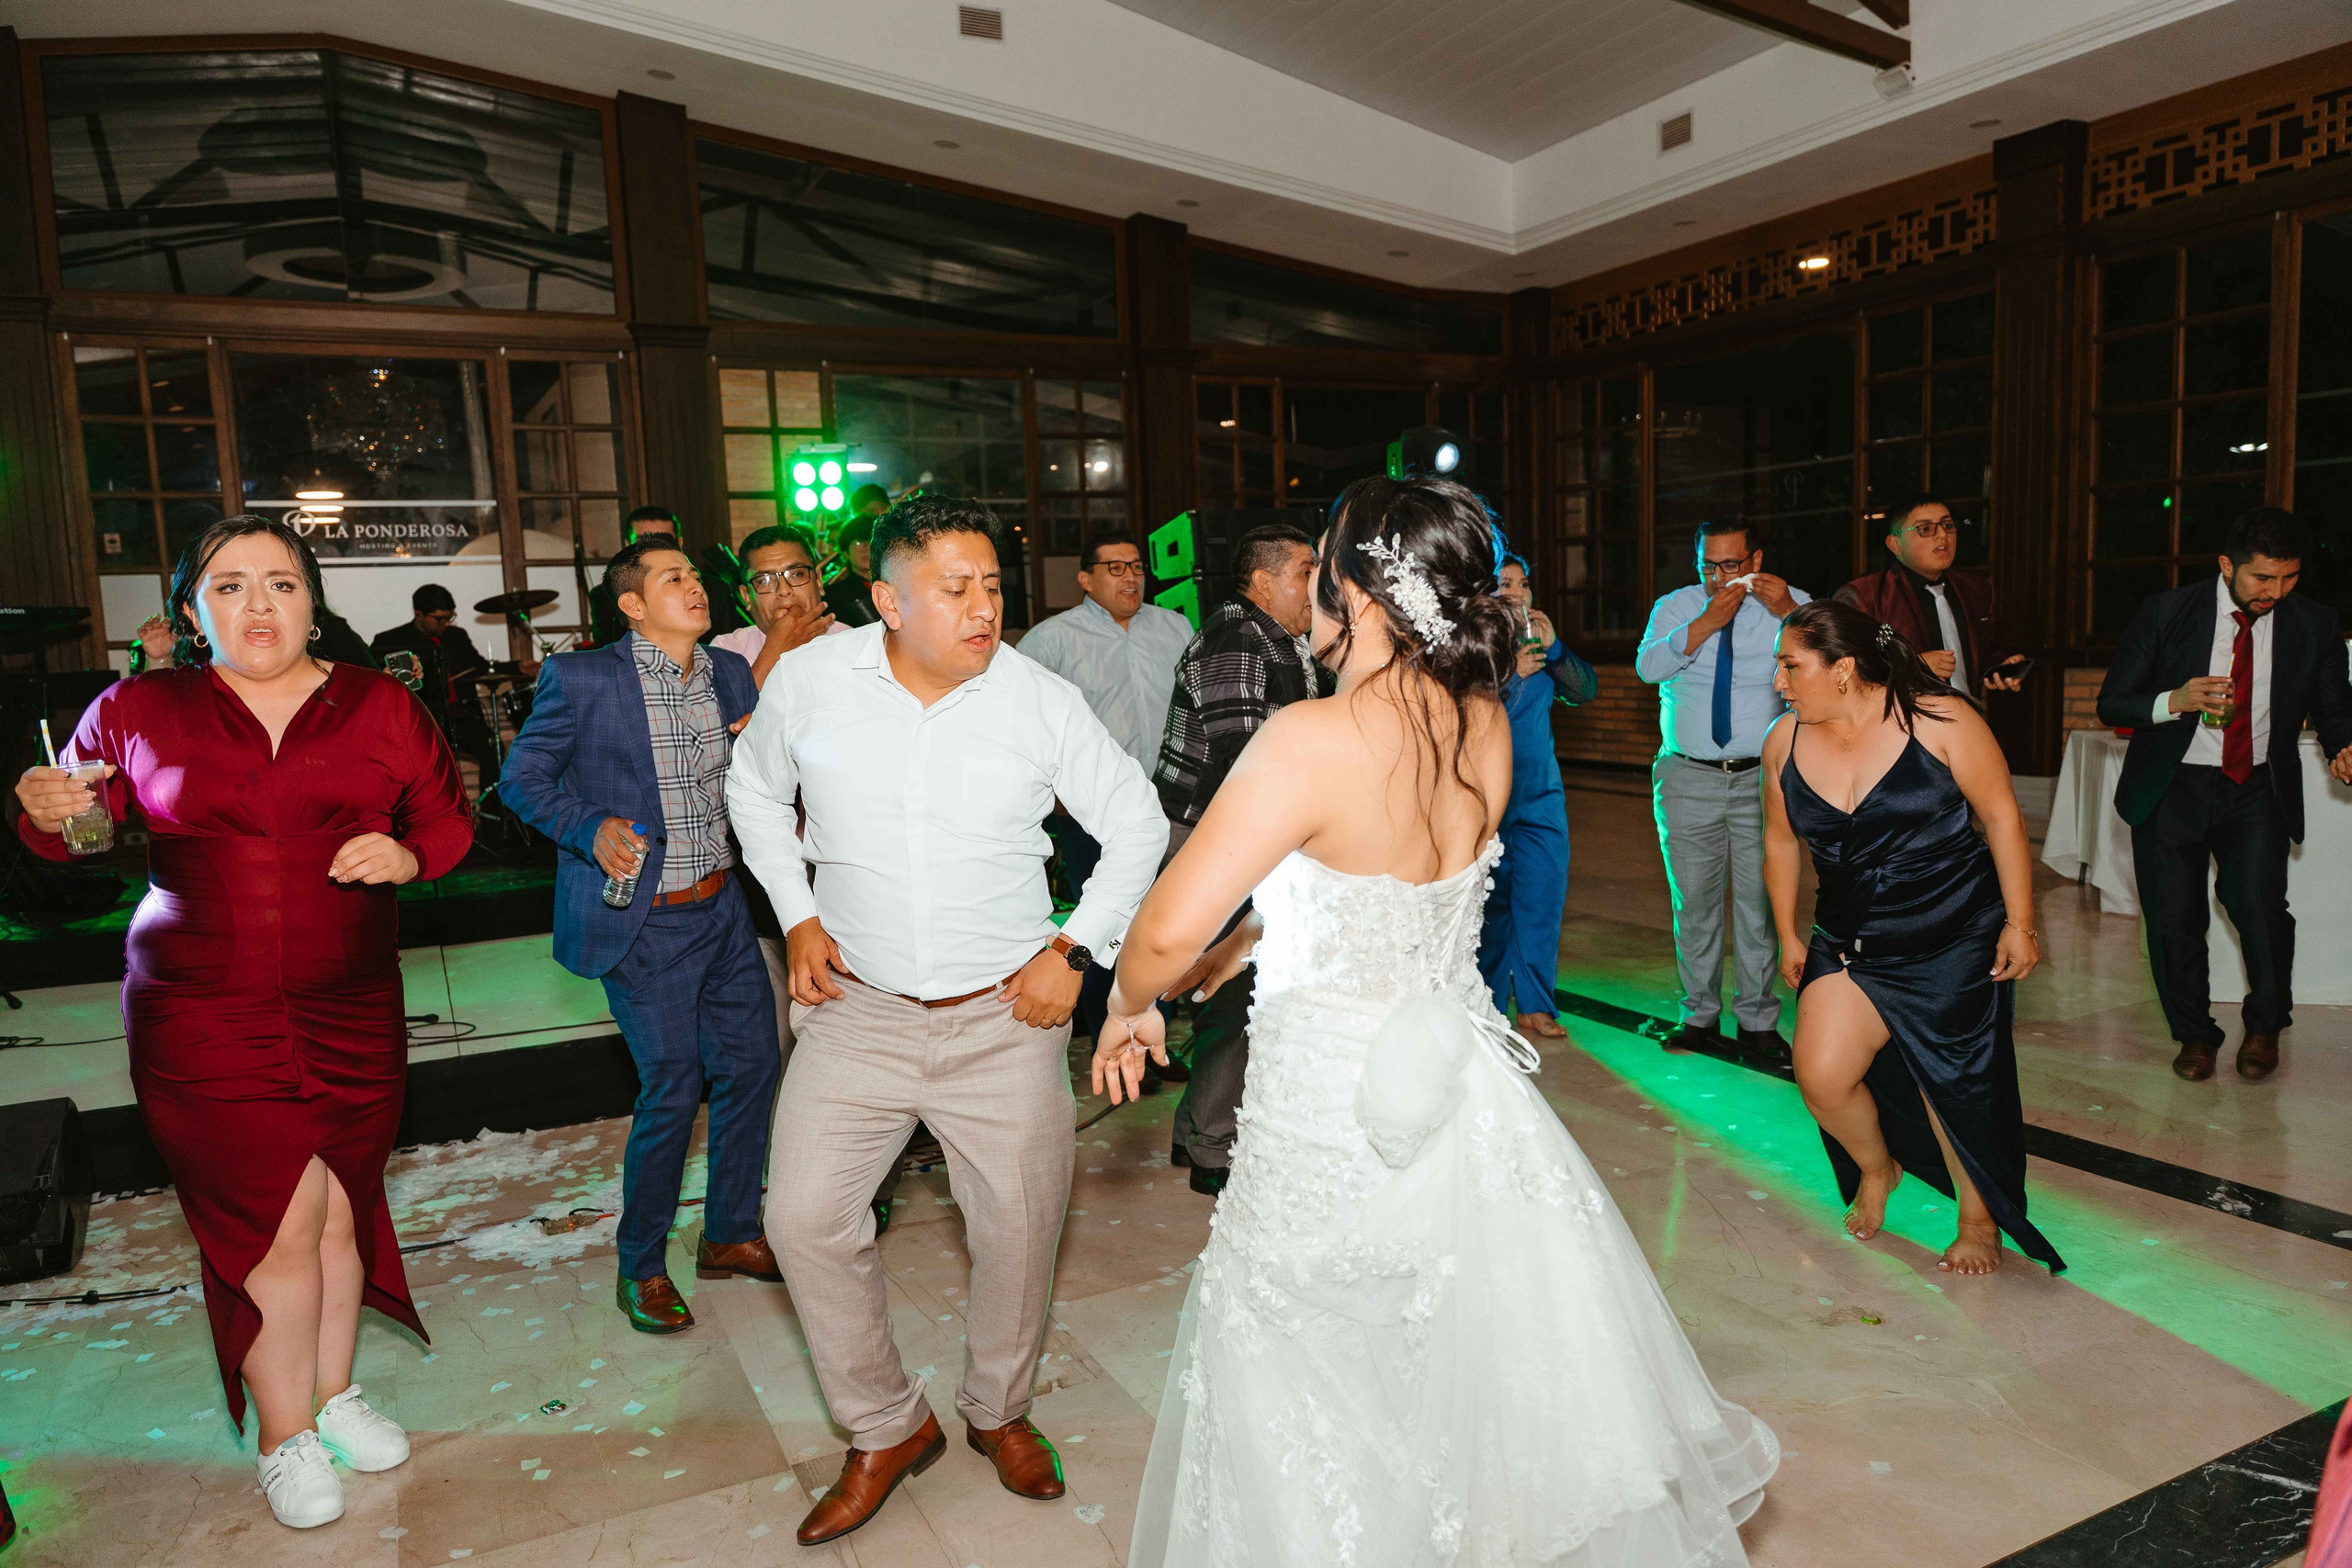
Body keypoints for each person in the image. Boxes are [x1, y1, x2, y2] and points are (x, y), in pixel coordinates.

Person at [1098, 475, 1778, 1566]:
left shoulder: (1306, 738)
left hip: (1326, 1110)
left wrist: (1131, 1002)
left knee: (1306, 1356)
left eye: (1324, 564)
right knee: (1450, 1360)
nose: (1312, 586)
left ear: (1361, 592)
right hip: (1459, 1092)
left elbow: (1165, 932)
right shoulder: (1484, 725)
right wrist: (1253, 941)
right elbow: (1388, 895)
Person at [14, 515, 471, 1530]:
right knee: (272, 1220)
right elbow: (76, 835)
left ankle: (337, 1390)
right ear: (190, 609)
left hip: (352, 999)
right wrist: (48, 809)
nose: (257, 606)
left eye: (280, 583)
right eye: (229, 587)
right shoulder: (138, 706)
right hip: (197, 1005)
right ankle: (285, 1435)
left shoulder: (380, 704)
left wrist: (406, 859)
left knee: (343, 1202)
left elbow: (443, 820)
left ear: (314, 601)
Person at [727, 494, 1165, 1547]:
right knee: (802, 1221)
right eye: (955, 590)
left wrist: (1074, 951)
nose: (983, 610)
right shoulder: (815, 683)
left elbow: (1137, 822)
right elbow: (750, 793)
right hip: (857, 1012)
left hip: (1002, 1020)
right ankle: (885, 1425)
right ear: (886, 599)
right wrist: (796, 916)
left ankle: (998, 1411)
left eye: (994, 588)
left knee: (1015, 1233)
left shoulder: (1036, 700)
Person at [499, 536, 785, 1336]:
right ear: (632, 603)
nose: (696, 586)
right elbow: (521, 779)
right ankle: (642, 1263)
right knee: (673, 1085)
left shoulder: (728, 671)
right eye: (674, 578)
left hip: (723, 906)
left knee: (754, 1067)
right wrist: (587, 827)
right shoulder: (584, 676)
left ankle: (728, 1230)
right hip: (644, 919)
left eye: (695, 575)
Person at [1760, 599, 2064, 1277]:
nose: (1778, 679)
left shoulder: (1943, 721)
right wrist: (1786, 931)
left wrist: (2020, 922)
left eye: (1789, 665)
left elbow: (2003, 819)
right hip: (1849, 937)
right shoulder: (1783, 741)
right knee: (1821, 1075)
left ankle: (1978, 1218)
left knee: (1952, 1086)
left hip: (1951, 932)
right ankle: (1878, 1167)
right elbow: (1780, 841)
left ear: (1842, 669)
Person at [2095, 507, 2352, 1082]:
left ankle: (2264, 1026)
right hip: (2171, 786)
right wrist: (2175, 701)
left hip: (2255, 785)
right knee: (2172, 920)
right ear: (2226, 565)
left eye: (2289, 578)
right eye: (2263, 578)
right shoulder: (2166, 611)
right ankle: (2194, 1034)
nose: (2276, 592)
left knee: (2260, 911)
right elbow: (2114, 701)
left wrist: (2344, 743)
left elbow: (2336, 705)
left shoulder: (2313, 622)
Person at [1151, 522, 1333, 1193]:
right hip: (1211, 838)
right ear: (1262, 580)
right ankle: (1212, 1149)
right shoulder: (1236, 640)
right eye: (1305, 568)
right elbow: (1243, 767)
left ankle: (1199, 1128)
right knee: (1235, 992)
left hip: (1246, 833)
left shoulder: (1281, 638)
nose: (1317, 581)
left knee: (1243, 987)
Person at [1635, 518, 1808, 1062]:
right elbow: (1647, 667)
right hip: (1688, 776)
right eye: (1708, 565)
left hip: (1764, 778)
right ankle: (1699, 1016)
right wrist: (1706, 623)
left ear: (1755, 560)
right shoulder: (1676, 606)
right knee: (1696, 903)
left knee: (1760, 903)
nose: (1718, 576)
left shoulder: (1789, 603)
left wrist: (1788, 614)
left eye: (1730, 565)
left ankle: (1758, 1022)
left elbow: (1835, 655)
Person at [1016, 525, 1195, 1043]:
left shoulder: (1175, 628)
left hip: (1164, 807)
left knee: (1158, 925)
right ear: (1085, 579)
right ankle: (1102, 1034)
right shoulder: (1052, 639)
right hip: (1087, 813)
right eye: (1115, 568)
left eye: (1137, 567)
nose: (1130, 578)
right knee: (1102, 924)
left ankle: (1146, 1030)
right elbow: (1017, 718)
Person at [1479, 550, 1597, 1039]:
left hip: (1540, 793)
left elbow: (1584, 689)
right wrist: (1510, 678)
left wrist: (1558, 650)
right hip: (1487, 793)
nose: (1516, 592)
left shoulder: (1539, 645)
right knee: (1489, 905)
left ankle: (1534, 1005)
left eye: (1522, 584)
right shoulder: (1473, 649)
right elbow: (1457, 709)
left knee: (1542, 895)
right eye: (1504, 583)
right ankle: (1483, 1004)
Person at [1834, 496, 2029, 697]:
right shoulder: (1866, 596)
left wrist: (1999, 667)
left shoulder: (1977, 590)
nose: (1942, 535)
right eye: (1925, 529)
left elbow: (1985, 651)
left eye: (1947, 525)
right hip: (1900, 722)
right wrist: (1912, 666)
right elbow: (1844, 668)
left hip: (1970, 718)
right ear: (1895, 544)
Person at [370, 583, 493, 769]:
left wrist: (518, 666)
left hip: (461, 715)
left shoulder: (457, 636)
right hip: (423, 719)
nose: (446, 623)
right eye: (439, 619)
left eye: (449, 618)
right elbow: (372, 676)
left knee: (493, 749)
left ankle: (488, 799)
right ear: (419, 614)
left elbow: (480, 666)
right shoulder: (390, 640)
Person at [587, 505, 681, 647]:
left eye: (663, 540)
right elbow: (607, 648)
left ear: (679, 543)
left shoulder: (712, 590)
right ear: (627, 544)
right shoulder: (607, 594)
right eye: (643, 541)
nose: (654, 549)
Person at [823, 513, 882, 628]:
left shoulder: (899, 585)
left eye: (871, 539)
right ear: (846, 553)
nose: (867, 546)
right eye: (858, 542)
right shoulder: (833, 595)